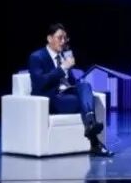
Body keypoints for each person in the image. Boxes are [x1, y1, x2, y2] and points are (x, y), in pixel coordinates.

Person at [27, 23, 113, 156]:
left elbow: (71, 82)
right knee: (85, 102)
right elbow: (40, 83)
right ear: (49, 38)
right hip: (50, 98)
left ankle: (91, 124)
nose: (63, 41)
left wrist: (73, 77)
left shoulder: (64, 56)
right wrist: (62, 68)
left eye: (65, 38)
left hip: (66, 94)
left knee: (85, 86)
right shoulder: (37, 57)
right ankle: (95, 143)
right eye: (59, 38)